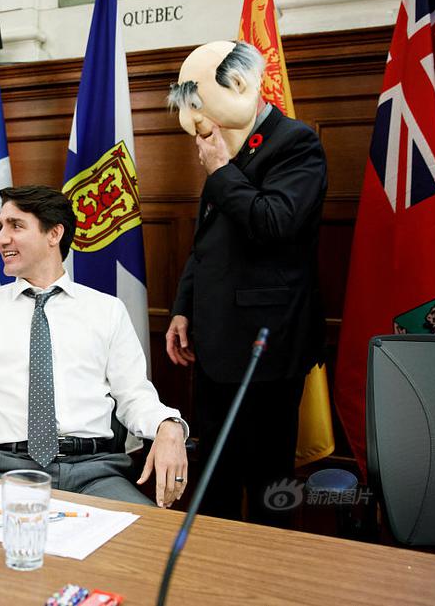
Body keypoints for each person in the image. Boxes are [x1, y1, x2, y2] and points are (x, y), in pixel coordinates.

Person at [0, 186, 189, 507]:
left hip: (96, 474)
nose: (1, 239)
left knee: (149, 547)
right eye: (0, 227)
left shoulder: (107, 310)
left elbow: (135, 396)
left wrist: (168, 425)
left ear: (54, 234)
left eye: (15, 226)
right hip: (4, 471)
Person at [165, 41, 327, 525]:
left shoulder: (296, 143)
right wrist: (182, 308)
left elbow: (274, 221)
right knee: (213, 481)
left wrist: (219, 171)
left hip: (267, 351)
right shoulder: (227, 141)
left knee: (266, 487)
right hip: (214, 349)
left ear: (239, 85)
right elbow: (208, 243)